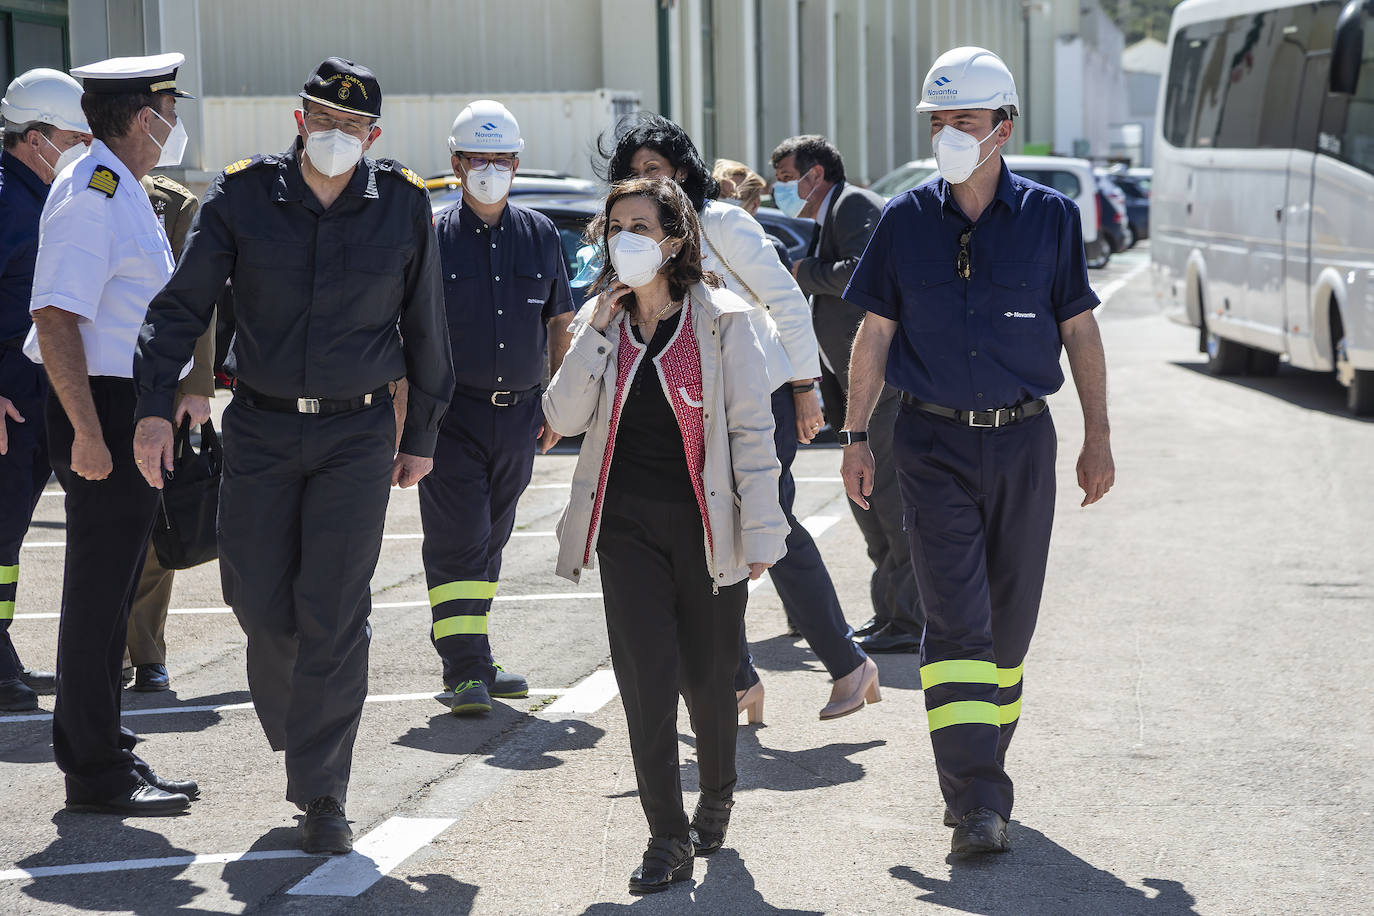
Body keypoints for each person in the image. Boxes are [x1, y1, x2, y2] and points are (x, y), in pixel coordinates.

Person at [132, 57, 454, 854]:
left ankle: (322, 792)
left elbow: (427, 328)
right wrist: (151, 411)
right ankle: (302, 732)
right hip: (263, 429)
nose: (334, 135)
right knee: (260, 604)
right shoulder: (242, 196)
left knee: (335, 612)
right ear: (298, 118)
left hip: (357, 435)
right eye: (321, 118)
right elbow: (182, 307)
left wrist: (421, 438)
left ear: (372, 135)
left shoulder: (404, 206)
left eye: (351, 126)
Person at [840, 47, 1115, 855]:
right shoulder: (905, 219)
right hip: (927, 443)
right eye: (938, 120)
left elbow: (1080, 328)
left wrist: (1099, 435)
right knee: (955, 623)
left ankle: (981, 771)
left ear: (1004, 126)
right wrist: (856, 437)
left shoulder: (1051, 218)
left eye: (964, 119)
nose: (948, 133)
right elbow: (874, 333)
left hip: (1025, 439)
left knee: (1009, 630)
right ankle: (976, 801)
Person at [544, 177, 786, 893]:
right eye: (616, 225)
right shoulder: (604, 319)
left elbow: (751, 432)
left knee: (707, 680)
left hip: (705, 525)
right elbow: (559, 415)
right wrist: (592, 331)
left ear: (674, 241)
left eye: (641, 227)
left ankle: (717, 791)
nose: (625, 238)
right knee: (645, 681)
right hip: (625, 529)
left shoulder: (725, 320)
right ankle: (666, 837)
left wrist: (764, 533)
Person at [604, 115, 877, 722]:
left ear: (681, 170)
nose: (645, 180)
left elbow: (784, 298)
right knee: (710, 536)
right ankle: (735, 682)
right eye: (634, 172)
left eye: (656, 168)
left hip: (762, 399)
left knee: (770, 529)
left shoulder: (723, 220)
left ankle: (848, 664)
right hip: (689, 404)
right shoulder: (641, 236)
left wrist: (806, 387)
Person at [25, 52, 200, 815]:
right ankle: (93, 771)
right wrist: (89, 435)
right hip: (100, 407)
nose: (173, 121)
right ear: (140, 116)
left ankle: (107, 748)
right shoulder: (90, 189)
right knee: (98, 595)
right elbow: (55, 315)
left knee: (117, 588)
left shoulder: (119, 186)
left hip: (128, 405)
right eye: (167, 106)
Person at [422, 100, 574, 715]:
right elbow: (411, 327)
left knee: (491, 537)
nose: (490, 169)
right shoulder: (431, 237)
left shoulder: (539, 235)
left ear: (517, 163)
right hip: (451, 415)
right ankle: (462, 669)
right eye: (478, 159)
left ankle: (476, 655)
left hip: (520, 414)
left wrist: (558, 401)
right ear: (456, 163)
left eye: (502, 159)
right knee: (458, 537)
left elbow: (560, 320)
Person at [772, 134, 925, 655]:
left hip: (880, 380)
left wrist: (800, 273)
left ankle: (911, 619)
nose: (782, 188)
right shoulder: (825, 218)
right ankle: (892, 613)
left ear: (817, 175)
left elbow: (864, 272)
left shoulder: (854, 203)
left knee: (886, 496)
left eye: (789, 177)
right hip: (847, 380)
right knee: (867, 500)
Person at [0, 68, 89, 712]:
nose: (83, 145)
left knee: (8, 537)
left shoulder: (39, 195)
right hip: (6, 392)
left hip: (31, 392)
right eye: (73, 135)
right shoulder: (6, 199)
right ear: (35, 137)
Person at [121, 172, 214, 693]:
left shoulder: (173, 204)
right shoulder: (71, 185)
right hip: (92, 382)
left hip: (162, 384)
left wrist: (196, 385)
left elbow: (196, 298)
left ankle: (147, 652)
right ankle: (105, 650)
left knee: (160, 524)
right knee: (101, 524)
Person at [710, 158, 792, 271]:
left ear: (755, 205)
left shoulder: (771, 250)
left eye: (735, 197)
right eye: (722, 195)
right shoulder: (697, 245)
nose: (725, 203)